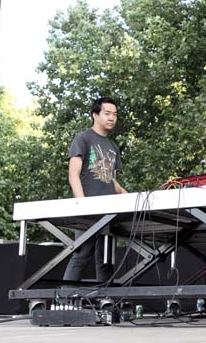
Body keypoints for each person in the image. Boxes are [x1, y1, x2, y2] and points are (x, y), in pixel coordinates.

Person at [63, 96, 127, 282]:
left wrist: (123, 193)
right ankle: (66, 301)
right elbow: (73, 174)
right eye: (107, 113)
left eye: (114, 114)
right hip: (88, 209)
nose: (111, 118)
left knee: (105, 259)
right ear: (95, 115)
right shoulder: (83, 138)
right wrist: (83, 205)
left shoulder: (113, 146)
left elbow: (109, 178)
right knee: (82, 254)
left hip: (109, 211)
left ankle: (104, 302)